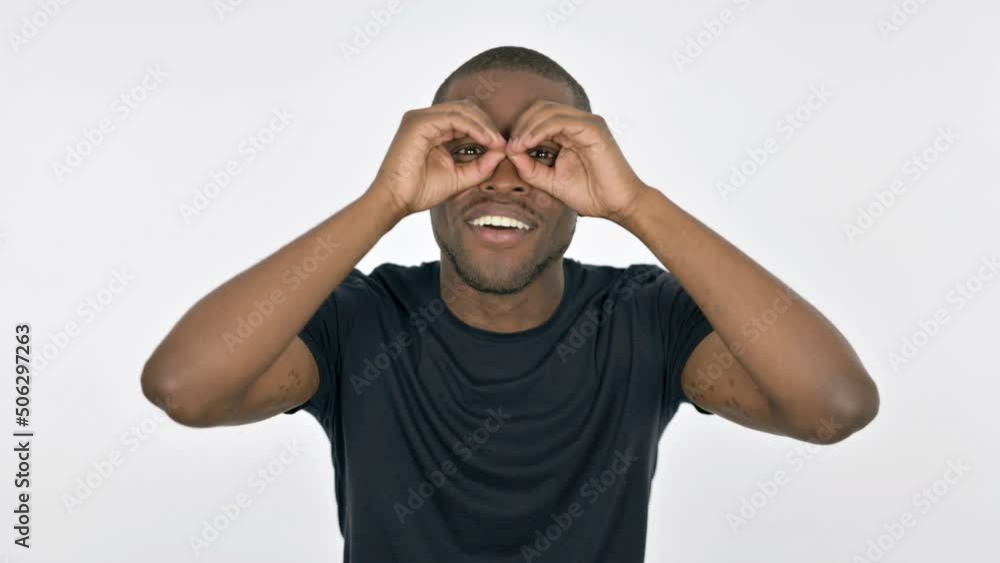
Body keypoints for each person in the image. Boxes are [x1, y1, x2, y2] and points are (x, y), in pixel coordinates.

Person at [141, 46, 879, 562]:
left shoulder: (643, 320)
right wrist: (384, 201)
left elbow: (835, 403)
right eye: (467, 151)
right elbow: (185, 387)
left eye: (546, 154)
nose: (506, 180)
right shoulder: (360, 321)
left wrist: (636, 204)